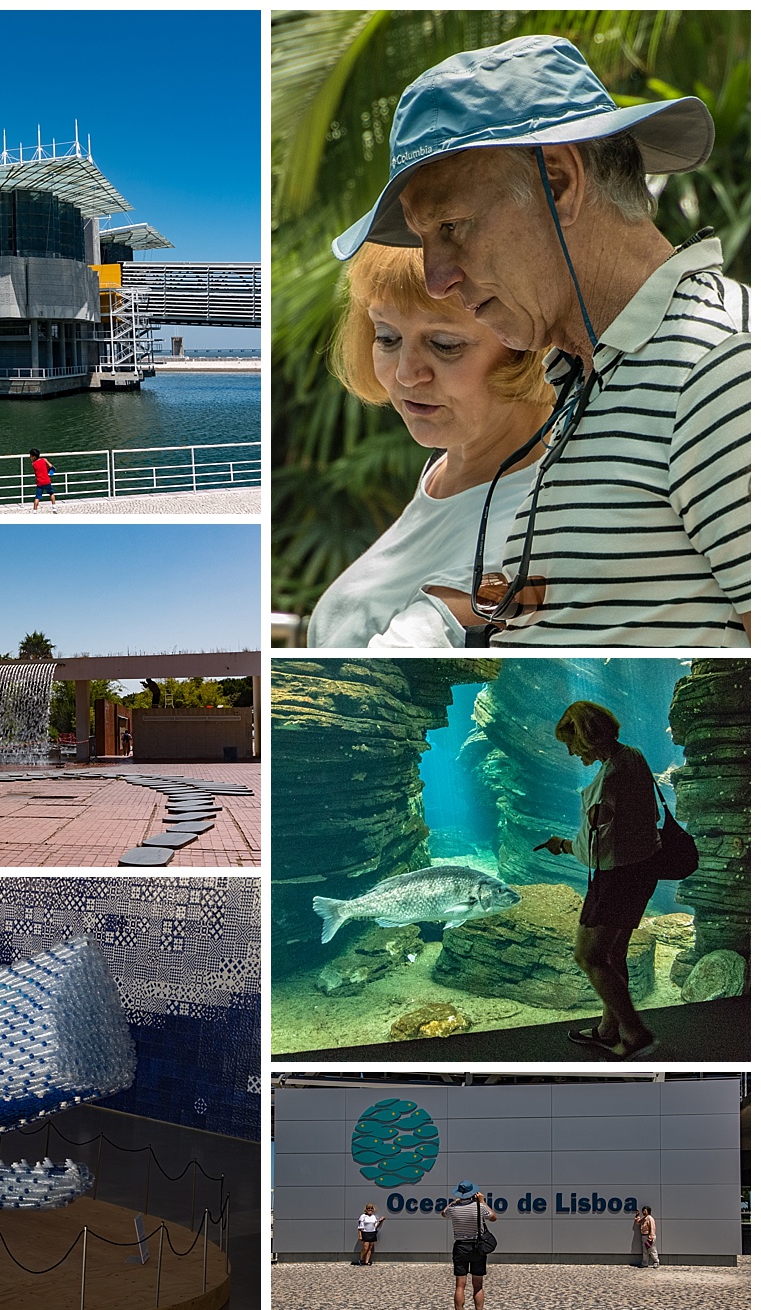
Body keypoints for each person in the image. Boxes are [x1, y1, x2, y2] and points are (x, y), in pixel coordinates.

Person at [331, 35, 750, 647]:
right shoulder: (583, 379)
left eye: (451, 227)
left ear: (558, 182)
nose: (438, 277)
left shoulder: (716, 365)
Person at [309, 244, 553, 646]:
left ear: (527, 348)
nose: (407, 374)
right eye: (387, 337)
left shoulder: (526, 531)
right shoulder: (447, 470)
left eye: (444, 344)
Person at [542, 702, 661, 1060]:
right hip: (644, 868)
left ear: (586, 736)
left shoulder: (607, 781)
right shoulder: (634, 757)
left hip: (616, 877)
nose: (570, 751)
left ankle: (634, 1032)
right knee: (614, 952)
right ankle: (609, 1030)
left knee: (588, 955)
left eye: (571, 742)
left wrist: (562, 845)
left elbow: (594, 850)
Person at [442, 1180, 496, 1310]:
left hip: (460, 1246)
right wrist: (483, 1201)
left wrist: (454, 1202)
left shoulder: (453, 1209)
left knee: (460, 1284)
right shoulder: (479, 1207)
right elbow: (493, 1217)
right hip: (477, 1247)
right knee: (477, 1285)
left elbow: (442, 1213)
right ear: (473, 1193)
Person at [30, 449, 57, 514]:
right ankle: (54, 508)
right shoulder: (44, 460)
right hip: (47, 481)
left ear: (34, 457)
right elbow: (51, 466)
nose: (30, 457)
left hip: (39, 482)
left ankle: (34, 511)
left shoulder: (33, 464)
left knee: (37, 497)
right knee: (51, 494)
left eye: (30, 456)